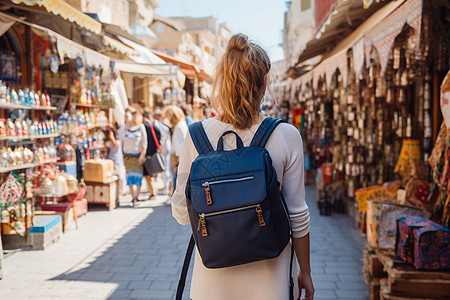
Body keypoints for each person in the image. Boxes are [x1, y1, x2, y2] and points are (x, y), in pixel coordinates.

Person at [171, 34, 314, 300]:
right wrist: (305, 271)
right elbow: (298, 215)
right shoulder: (286, 135)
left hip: (210, 286)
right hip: (271, 284)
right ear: (263, 82)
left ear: (222, 81)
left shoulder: (196, 136)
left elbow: (181, 212)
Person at [119, 106, 147, 207]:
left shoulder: (140, 127)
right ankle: (132, 197)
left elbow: (144, 142)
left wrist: (142, 155)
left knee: (138, 177)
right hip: (128, 157)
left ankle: (137, 196)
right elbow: (121, 141)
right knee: (130, 177)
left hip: (137, 156)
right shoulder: (124, 127)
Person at [161, 105, 187, 191]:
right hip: (178, 162)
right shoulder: (179, 126)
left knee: (179, 190)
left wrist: (177, 164)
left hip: (179, 162)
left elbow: (181, 146)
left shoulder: (179, 127)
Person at [142, 108, 161, 199]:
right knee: (151, 174)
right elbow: (159, 135)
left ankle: (152, 193)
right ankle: (152, 191)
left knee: (147, 174)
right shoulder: (153, 126)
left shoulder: (144, 126)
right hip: (153, 152)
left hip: (146, 153)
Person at [153, 108, 172, 195]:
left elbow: (163, 136)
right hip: (166, 147)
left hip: (165, 147)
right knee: (166, 167)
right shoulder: (164, 123)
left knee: (166, 168)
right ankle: (166, 186)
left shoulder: (162, 124)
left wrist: (161, 146)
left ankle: (167, 187)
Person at [105, 126, 126, 194]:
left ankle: (120, 191)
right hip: (111, 161)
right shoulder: (109, 142)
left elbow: (115, 144)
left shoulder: (117, 141)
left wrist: (112, 137)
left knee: (120, 177)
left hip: (117, 161)